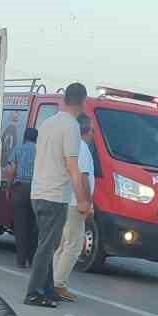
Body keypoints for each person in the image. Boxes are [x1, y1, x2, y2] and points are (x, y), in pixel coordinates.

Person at [25, 82, 92, 308]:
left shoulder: (48, 123)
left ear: (64, 99)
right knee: (47, 247)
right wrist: (82, 200)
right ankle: (34, 292)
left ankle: (48, 289)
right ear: (83, 102)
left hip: (38, 191)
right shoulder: (71, 127)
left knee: (50, 243)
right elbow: (73, 166)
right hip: (55, 194)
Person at [53, 113, 95, 301]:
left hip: (65, 200)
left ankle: (52, 280)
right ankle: (58, 284)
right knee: (74, 246)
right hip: (75, 202)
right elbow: (83, 176)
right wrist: (85, 202)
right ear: (88, 130)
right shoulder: (83, 147)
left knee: (62, 245)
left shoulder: (70, 145)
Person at [11, 127, 39, 268]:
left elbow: (12, 170)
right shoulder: (40, 151)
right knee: (33, 226)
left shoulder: (18, 149)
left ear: (25, 137)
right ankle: (32, 259)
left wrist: (10, 186)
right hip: (36, 190)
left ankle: (21, 261)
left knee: (21, 227)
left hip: (20, 188)